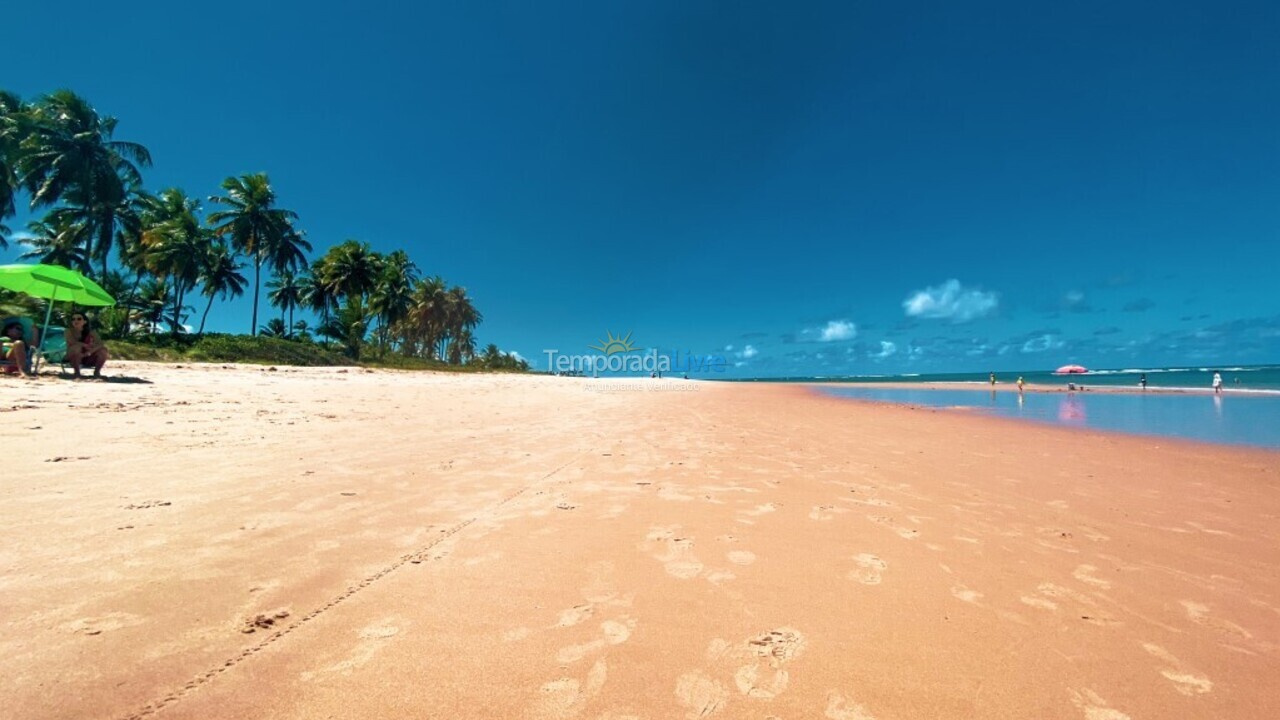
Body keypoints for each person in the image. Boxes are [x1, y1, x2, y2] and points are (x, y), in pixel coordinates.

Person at [65, 313, 109, 379]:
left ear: (84, 321)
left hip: (88, 356)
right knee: (76, 348)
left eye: (79, 319)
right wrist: (84, 345)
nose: (75, 321)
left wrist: (88, 353)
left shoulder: (91, 332)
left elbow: (100, 344)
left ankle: (96, 372)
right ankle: (77, 373)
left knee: (103, 350)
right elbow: (72, 342)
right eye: (73, 319)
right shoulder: (68, 331)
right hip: (73, 357)